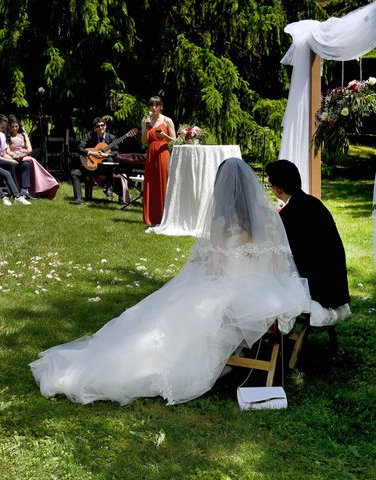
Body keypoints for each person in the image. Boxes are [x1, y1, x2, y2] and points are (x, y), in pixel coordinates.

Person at [30, 157, 309, 405]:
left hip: (230, 287)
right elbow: (277, 265)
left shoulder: (222, 223)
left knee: (179, 314)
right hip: (263, 291)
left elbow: (213, 272)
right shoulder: (270, 220)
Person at [265, 160, 351, 327]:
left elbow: (287, 254)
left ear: (278, 189)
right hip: (334, 280)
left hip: (318, 286)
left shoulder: (290, 214)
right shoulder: (313, 203)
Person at [0, 114, 31, 205]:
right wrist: (9, 160)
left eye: (4, 127)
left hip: (0, 158)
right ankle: (17, 195)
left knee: (17, 163)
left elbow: (3, 153)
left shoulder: (2, 135)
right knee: (10, 164)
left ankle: (18, 193)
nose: (4, 129)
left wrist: (14, 158)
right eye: (2, 127)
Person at [141, 96, 175, 226]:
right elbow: (144, 141)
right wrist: (145, 126)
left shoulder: (167, 121)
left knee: (163, 183)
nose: (153, 108)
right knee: (150, 183)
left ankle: (164, 217)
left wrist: (164, 136)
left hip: (163, 153)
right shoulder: (145, 120)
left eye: (156, 105)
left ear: (161, 106)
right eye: (151, 105)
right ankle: (151, 217)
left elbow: (175, 140)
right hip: (150, 154)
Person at [6, 115, 59, 199]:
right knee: (30, 162)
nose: (15, 128)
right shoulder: (7, 136)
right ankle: (27, 189)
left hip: (24, 155)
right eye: (13, 127)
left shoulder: (23, 135)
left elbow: (29, 149)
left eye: (16, 126)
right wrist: (14, 155)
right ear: (9, 127)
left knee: (28, 163)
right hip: (12, 157)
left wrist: (23, 153)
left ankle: (26, 189)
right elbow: (8, 151)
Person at [72, 117, 118, 204]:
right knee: (75, 173)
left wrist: (107, 155)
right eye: (98, 126)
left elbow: (116, 152)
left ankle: (109, 186)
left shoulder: (111, 138)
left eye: (102, 125)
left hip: (105, 169)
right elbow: (79, 148)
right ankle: (78, 199)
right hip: (91, 165)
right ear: (95, 128)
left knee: (110, 160)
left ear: (106, 126)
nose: (101, 127)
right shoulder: (90, 136)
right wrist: (91, 154)